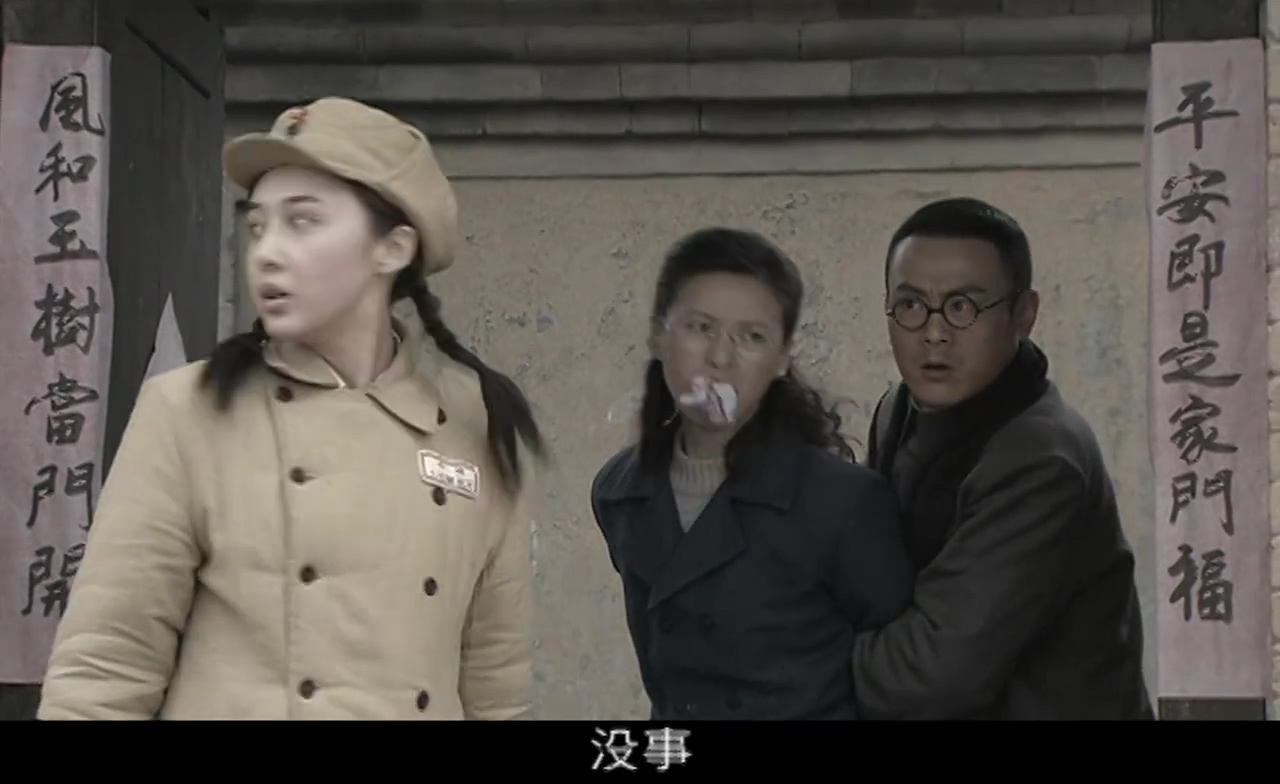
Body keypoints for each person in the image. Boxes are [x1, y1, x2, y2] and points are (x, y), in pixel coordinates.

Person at [36, 97, 545, 720]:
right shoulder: (188, 412)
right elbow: (104, 670)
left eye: (302, 222)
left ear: (392, 248)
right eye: (257, 227)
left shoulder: (476, 424)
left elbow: (497, 694)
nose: (267, 252)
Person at [590, 227, 913, 721]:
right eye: (699, 327)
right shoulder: (619, 492)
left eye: (752, 337)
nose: (720, 358)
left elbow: (899, 674)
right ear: (658, 335)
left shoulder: (844, 503)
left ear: (782, 358)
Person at [853, 196, 1154, 720]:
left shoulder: (1041, 461)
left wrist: (786, 654)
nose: (934, 333)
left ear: (1023, 314)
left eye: (963, 307)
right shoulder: (897, 410)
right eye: (911, 305)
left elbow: (932, 677)